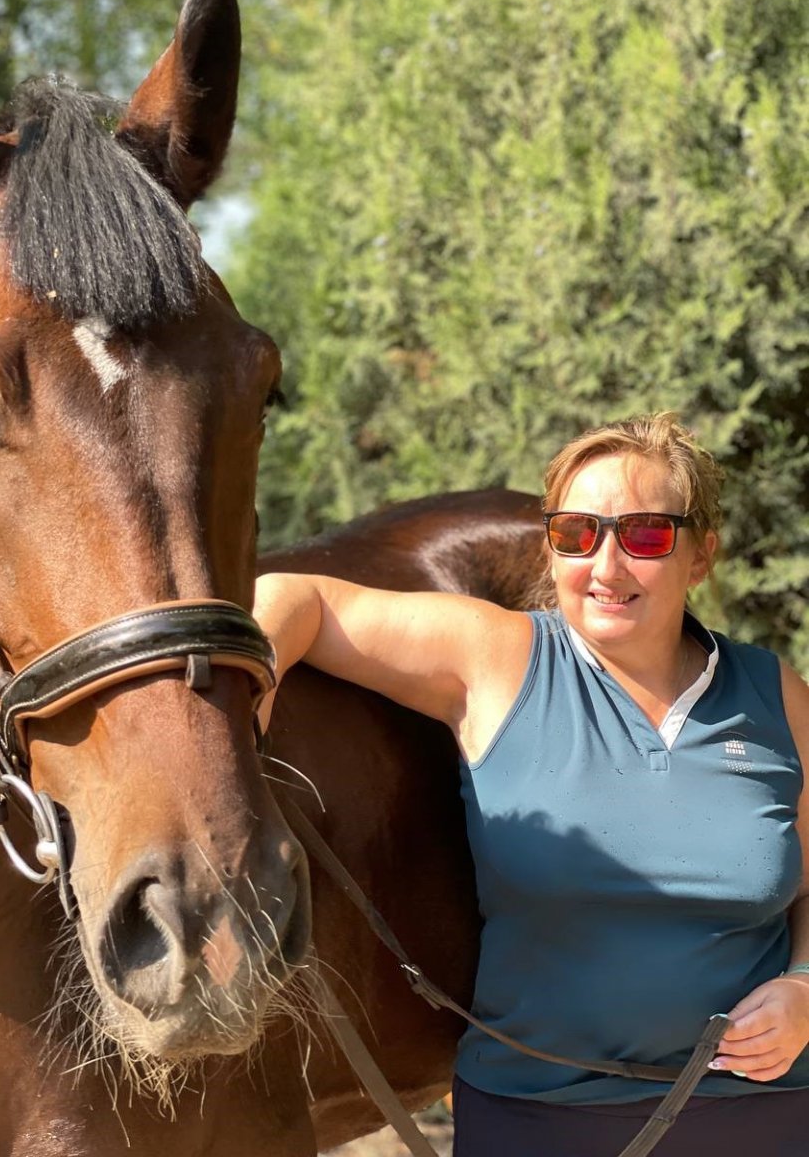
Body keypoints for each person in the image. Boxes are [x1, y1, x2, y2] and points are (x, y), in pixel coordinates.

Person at [254, 413, 809, 1156]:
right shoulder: (496, 661)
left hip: (761, 1115)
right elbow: (302, 599)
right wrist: (242, 696)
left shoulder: (774, 694)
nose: (605, 566)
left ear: (701, 554)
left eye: (643, 535)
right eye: (576, 534)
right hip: (536, 1121)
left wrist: (805, 986)